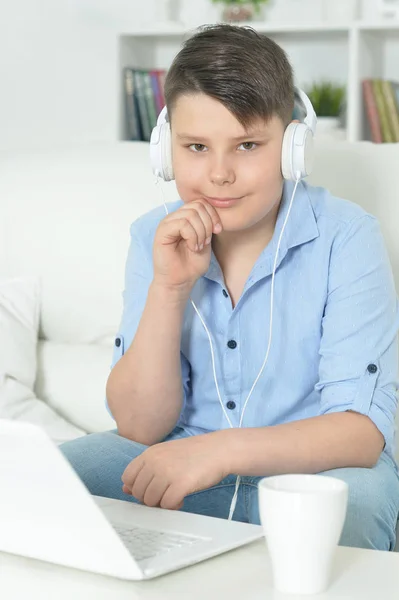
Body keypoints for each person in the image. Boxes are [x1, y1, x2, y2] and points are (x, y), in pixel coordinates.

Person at [60, 24, 399, 550]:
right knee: (58, 480)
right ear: (164, 148)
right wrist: (170, 288)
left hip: (314, 470)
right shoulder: (153, 234)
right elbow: (138, 425)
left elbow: (360, 433)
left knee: (355, 512)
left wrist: (218, 451)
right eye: (196, 146)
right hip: (180, 452)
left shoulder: (347, 237)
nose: (218, 174)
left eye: (246, 145)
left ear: (293, 148)